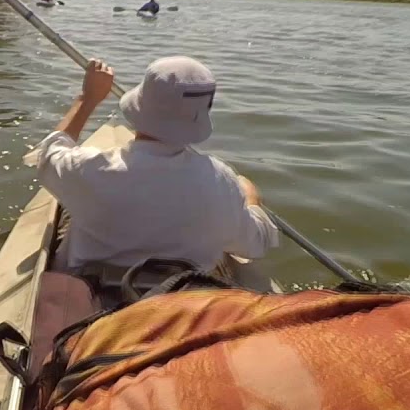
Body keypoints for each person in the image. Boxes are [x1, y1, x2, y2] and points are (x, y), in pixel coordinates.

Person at [27, 56, 278, 270]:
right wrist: (250, 198)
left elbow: (48, 153)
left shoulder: (89, 168)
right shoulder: (222, 182)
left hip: (91, 298)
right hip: (176, 302)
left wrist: (88, 98)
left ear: (141, 105)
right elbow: (257, 243)